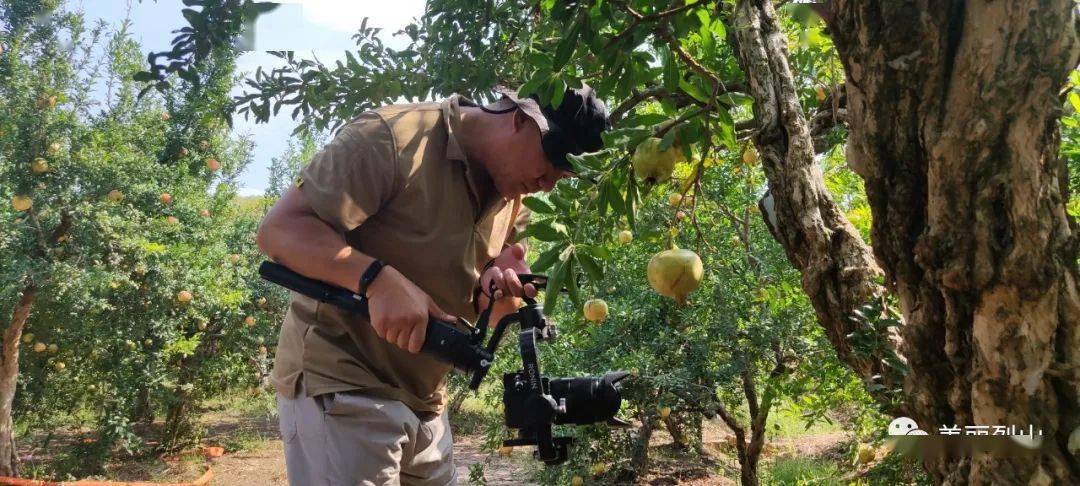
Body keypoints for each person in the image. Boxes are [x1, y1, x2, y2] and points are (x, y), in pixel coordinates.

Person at [255, 85, 611, 485]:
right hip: (344, 381)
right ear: (520, 118)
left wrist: (493, 287)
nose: (550, 184)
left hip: (426, 401)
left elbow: (488, 310)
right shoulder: (392, 138)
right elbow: (280, 230)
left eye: (563, 176)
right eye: (553, 161)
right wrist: (374, 279)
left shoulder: (515, 194)